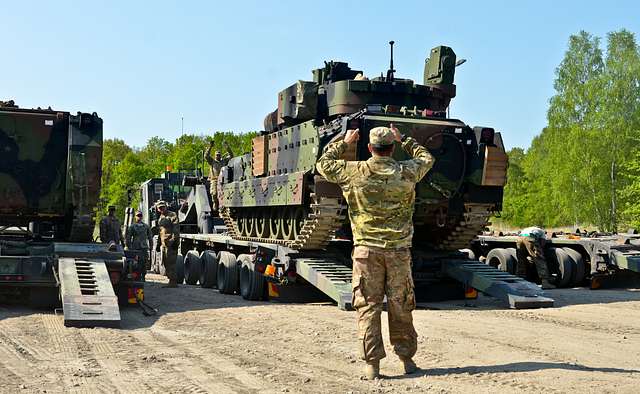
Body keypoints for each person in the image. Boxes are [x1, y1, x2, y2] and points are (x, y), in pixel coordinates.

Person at [316, 124, 434, 379]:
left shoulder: (354, 172)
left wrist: (345, 142)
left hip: (366, 252)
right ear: (392, 148)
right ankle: (407, 359)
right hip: (399, 251)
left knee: (368, 307)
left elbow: (323, 164)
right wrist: (407, 140)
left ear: (370, 148)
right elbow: (427, 158)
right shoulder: (406, 172)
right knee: (400, 304)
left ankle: (372, 365)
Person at [155, 200, 180, 287]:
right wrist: (158, 244)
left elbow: (176, 229)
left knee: (171, 263)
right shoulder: (161, 217)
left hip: (171, 243)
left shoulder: (172, 215)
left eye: (163, 207)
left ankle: (173, 282)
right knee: (165, 263)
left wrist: (174, 241)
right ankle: (171, 280)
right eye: (160, 208)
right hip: (164, 244)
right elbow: (160, 231)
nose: (161, 209)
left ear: (166, 206)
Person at [204, 139, 233, 212]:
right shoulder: (212, 161)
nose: (218, 156)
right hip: (215, 179)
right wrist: (210, 146)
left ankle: (223, 207)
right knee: (214, 193)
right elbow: (206, 156)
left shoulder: (224, 161)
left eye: (219, 155)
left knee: (225, 194)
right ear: (215, 156)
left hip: (224, 180)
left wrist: (227, 147)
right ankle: (215, 204)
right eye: (217, 155)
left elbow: (231, 155)